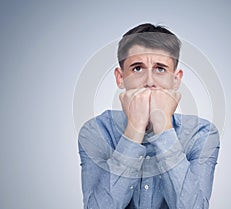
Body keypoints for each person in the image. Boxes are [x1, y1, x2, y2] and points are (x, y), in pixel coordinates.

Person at [78, 23, 220, 209]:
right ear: (120, 78)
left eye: (160, 69)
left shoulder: (202, 134)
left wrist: (163, 128)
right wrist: (134, 130)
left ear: (175, 79)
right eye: (137, 68)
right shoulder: (95, 131)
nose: (150, 81)